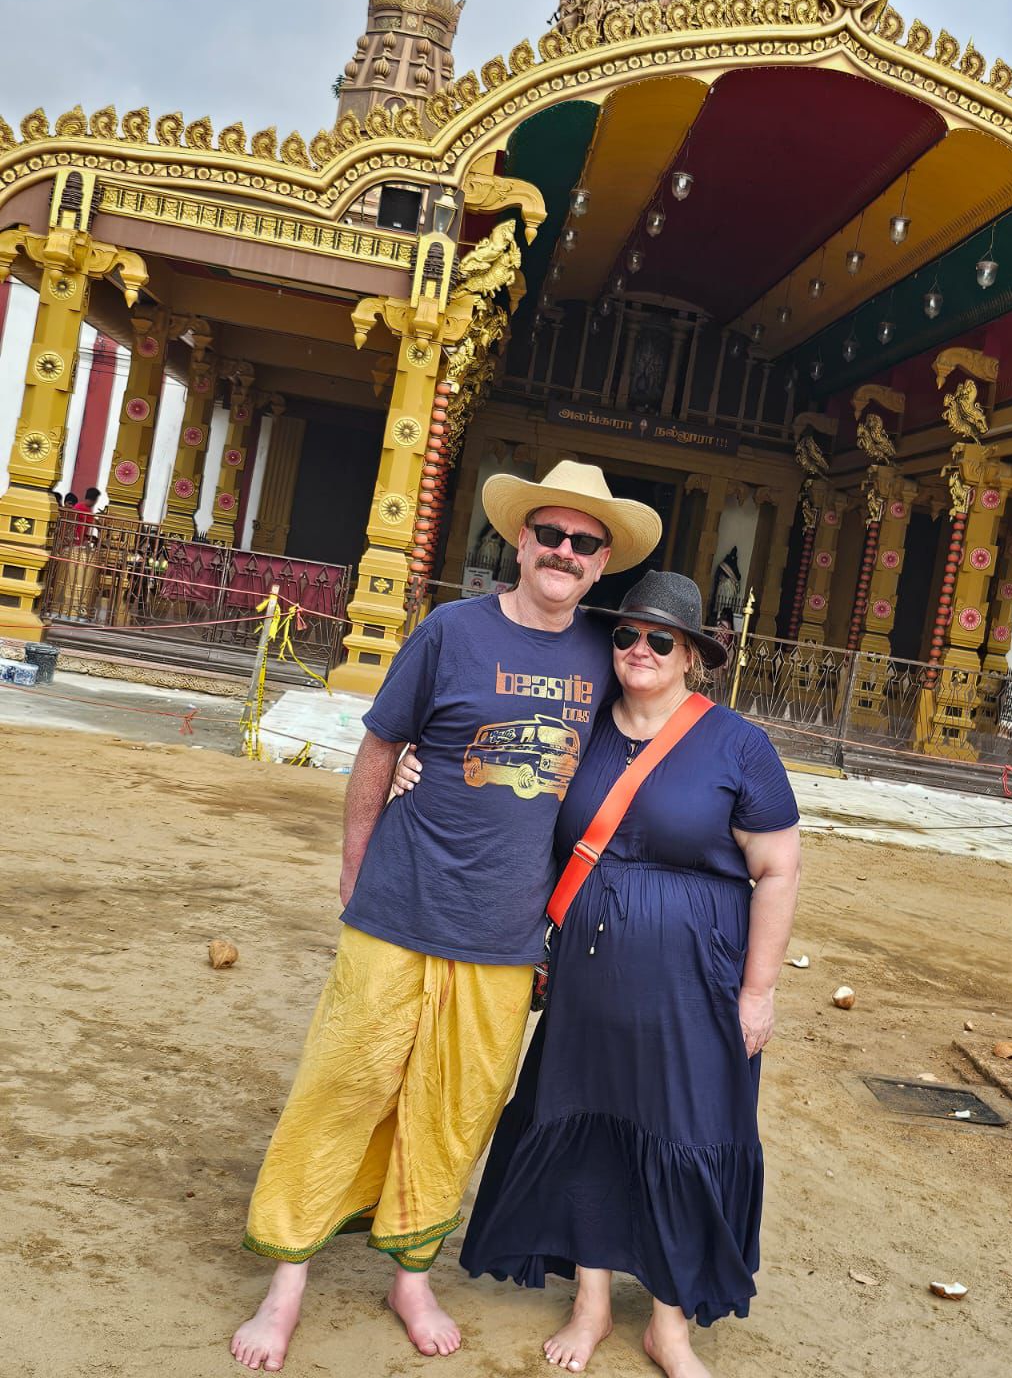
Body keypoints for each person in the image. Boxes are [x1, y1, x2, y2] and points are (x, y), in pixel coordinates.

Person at [230, 461, 661, 1373]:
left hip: (507, 932)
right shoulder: (450, 632)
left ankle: (411, 1273)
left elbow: (655, 739)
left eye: (584, 543)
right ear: (520, 541)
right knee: (343, 1086)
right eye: (551, 534)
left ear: (602, 562)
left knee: (455, 1108)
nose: (565, 552)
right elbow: (380, 746)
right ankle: (287, 1279)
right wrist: (354, 870)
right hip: (401, 904)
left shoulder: (607, 655)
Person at [460, 570, 801, 1378]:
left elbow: (778, 870)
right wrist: (413, 764)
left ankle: (669, 1326)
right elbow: (497, 782)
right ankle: (592, 1303)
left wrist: (758, 991)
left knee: (689, 1135)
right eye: (625, 635)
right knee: (591, 1128)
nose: (639, 650)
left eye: (660, 639)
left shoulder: (737, 745)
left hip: (698, 985)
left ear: (691, 656)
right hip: (591, 981)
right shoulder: (580, 728)